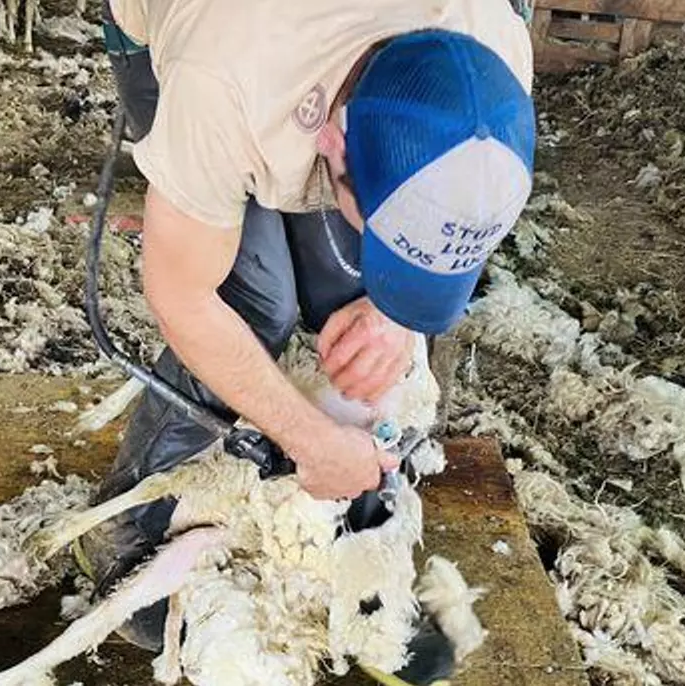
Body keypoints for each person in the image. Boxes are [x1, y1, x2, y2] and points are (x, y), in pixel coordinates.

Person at [76, 1, 535, 682]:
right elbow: (182, 297)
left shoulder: (492, 55)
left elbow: (456, 208)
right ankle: (129, 523)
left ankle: (341, 542)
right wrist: (308, 440)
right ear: (334, 144)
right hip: (201, 36)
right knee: (256, 305)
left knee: (346, 293)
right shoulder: (220, 84)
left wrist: (394, 314)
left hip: (306, 76)